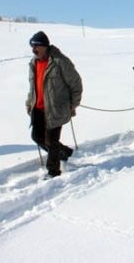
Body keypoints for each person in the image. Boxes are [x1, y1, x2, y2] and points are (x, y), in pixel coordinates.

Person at [26, 31, 83, 178]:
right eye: (32, 46)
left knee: (52, 140)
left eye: (36, 46)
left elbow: (76, 83)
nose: (33, 49)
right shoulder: (33, 63)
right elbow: (33, 86)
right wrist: (29, 102)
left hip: (56, 108)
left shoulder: (60, 61)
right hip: (37, 108)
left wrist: (73, 104)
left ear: (44, 46)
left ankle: (53, 172)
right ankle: (64, 152)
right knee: (37, 136)